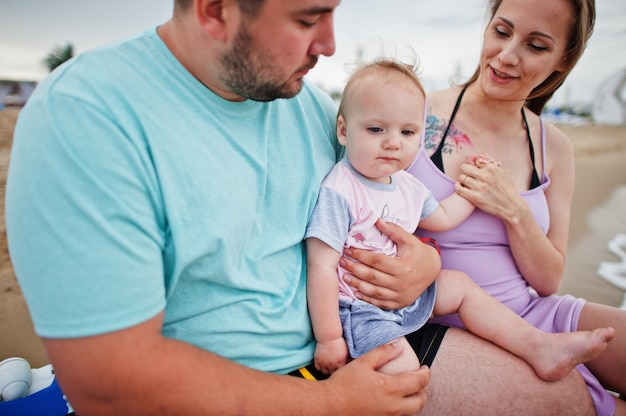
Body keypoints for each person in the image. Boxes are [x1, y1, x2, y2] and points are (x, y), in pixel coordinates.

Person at [2, 0, 609, 415]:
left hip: (354, 338)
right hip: (260, 382)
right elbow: (110, 381)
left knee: (566, 400)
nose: (330, 43)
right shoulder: (90, 114)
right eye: (308, 17)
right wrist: (326, 404)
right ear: (215, 8)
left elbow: (394, 202)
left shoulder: (311, 109)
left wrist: (424, 263)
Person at [304, 57, 613, 379]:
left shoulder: (406, 185)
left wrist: (472, 188)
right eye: (375, 129)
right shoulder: (341, 189)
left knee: (461, 286)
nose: (393, 142)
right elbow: (321, 265)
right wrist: (329, 338)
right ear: (343, 131)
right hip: (359, 306)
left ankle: (538, 346)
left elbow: (443, 217)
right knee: (406, 370)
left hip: (407, 297)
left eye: (407, 132)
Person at [393, 0, 625, 414]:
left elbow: (549, 278)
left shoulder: (553, 146)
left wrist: (513, 209)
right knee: (578, 404)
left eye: (536, 46)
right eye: (502, 32)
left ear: (563, 60)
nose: (507, 56)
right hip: (444, 318)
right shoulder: (412, 114)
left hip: (531, 311)